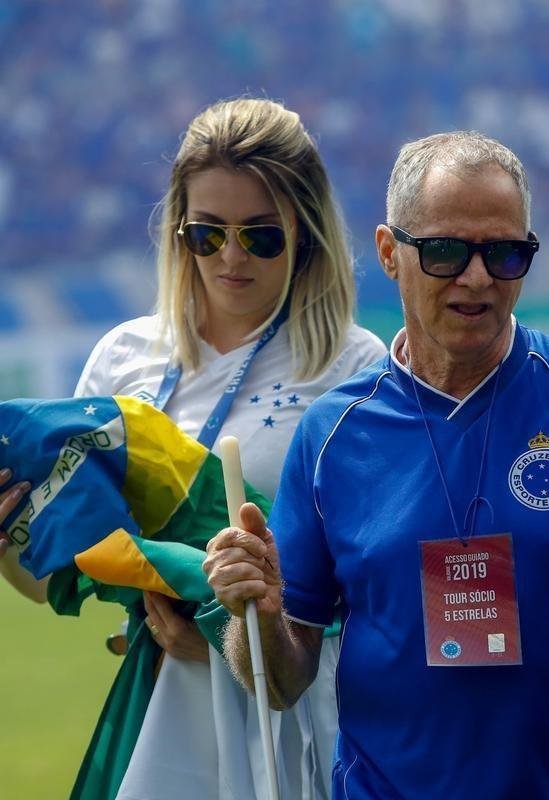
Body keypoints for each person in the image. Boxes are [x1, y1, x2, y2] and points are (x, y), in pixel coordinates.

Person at [203, 130, 549, 798]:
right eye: (444, 251)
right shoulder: (332, 435)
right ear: (389, 253)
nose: (477, 277)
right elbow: (284, 679)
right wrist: (255, 614)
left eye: (505, 253)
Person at [0, 96, 386, 799]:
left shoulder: (356, 369)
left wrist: (229, 637)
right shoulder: (123, 358)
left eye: (260, 237)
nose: (231, 258)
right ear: (178, 231)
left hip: (293, 718)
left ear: (306, 233)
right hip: (159, 711)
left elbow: (374, 595)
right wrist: (7, 536)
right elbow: (60, 572)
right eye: (207, 235)